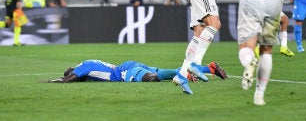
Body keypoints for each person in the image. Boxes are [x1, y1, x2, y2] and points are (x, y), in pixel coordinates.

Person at [43, 59, 227, 83]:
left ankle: (184, 74)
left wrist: (50, 81)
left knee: (152, 78)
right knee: (160, 70)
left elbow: (67, 79)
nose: (66, 72)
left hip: (124, 72)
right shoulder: (89, 64)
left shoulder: (82, 67)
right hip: (129, 65)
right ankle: (208, 68)